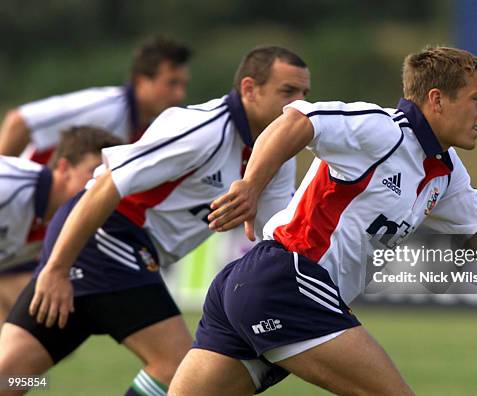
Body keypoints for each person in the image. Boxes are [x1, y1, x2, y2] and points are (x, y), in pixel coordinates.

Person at [169, 47, 477, 395]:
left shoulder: (445, 171)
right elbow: (296, 121)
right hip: (288, 279)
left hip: (257, 286)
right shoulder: (383, 129)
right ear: (437, 99)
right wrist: (252, 186)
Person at [0, 46, 310, 396]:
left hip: (107, 251)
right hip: (109, 239)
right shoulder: (202, 129)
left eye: (304, 94)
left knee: (11, 375)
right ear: (250, 89)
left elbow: (276, 236)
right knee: (178, 367)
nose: (297, 104)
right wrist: (57, 268)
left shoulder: (277, 154)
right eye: (287, 92)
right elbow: (105, 184)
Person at [0, 36, 191, 164]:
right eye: (171, 83)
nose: (179, 95)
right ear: (140, 81)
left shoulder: (152, 128)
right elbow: (19, 121)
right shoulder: (105, 107)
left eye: (183, 85)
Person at [0, 127, 122, 323]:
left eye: (107, 176)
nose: (102, 184)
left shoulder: (64, 222)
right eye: (94, 172)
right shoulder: (9, 185)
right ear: (64, 168)